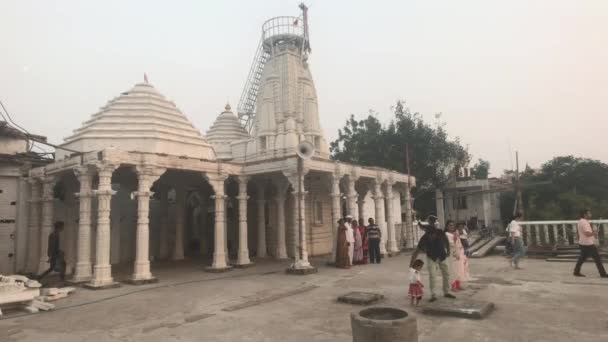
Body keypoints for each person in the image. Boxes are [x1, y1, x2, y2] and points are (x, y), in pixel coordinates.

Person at [410, 222, 455, 302]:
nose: (431, 236)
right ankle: (433, 295)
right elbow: (417, 251)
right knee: (432, 276)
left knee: (446, 274)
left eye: (432, 235)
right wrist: (411, 264)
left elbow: (446, 241)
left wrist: (448, 250)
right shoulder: (425, 237)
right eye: (429, 235)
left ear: (435, 232)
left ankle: (446, 292)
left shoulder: (440, 232)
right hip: (431, 257)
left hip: (442, 255)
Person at [573, 209, 608, 278]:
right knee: (597, 259)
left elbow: (584, 233)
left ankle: (576, 271)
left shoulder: (580, 221)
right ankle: (603, 274)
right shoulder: (585, 222)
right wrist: (594, 233)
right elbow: (587, 233)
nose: (590, 214)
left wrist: (593, 233)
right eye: (589, 213)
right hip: (588, 244)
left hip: (582, 243)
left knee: (582, 258)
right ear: (585, 215)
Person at [446, 221, 470, 291]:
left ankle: (458, 285)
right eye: (450, 225)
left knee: (459, 270)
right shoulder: (447, 234)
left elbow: (459, 243)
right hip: (452, 254)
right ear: (447, 227)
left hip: (459, 253)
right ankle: (453, 287)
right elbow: (451, 244)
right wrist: (455, 238)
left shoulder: (455, 233)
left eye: (453, 225)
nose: (451, 227)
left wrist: (462, 253)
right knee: (453, 271)